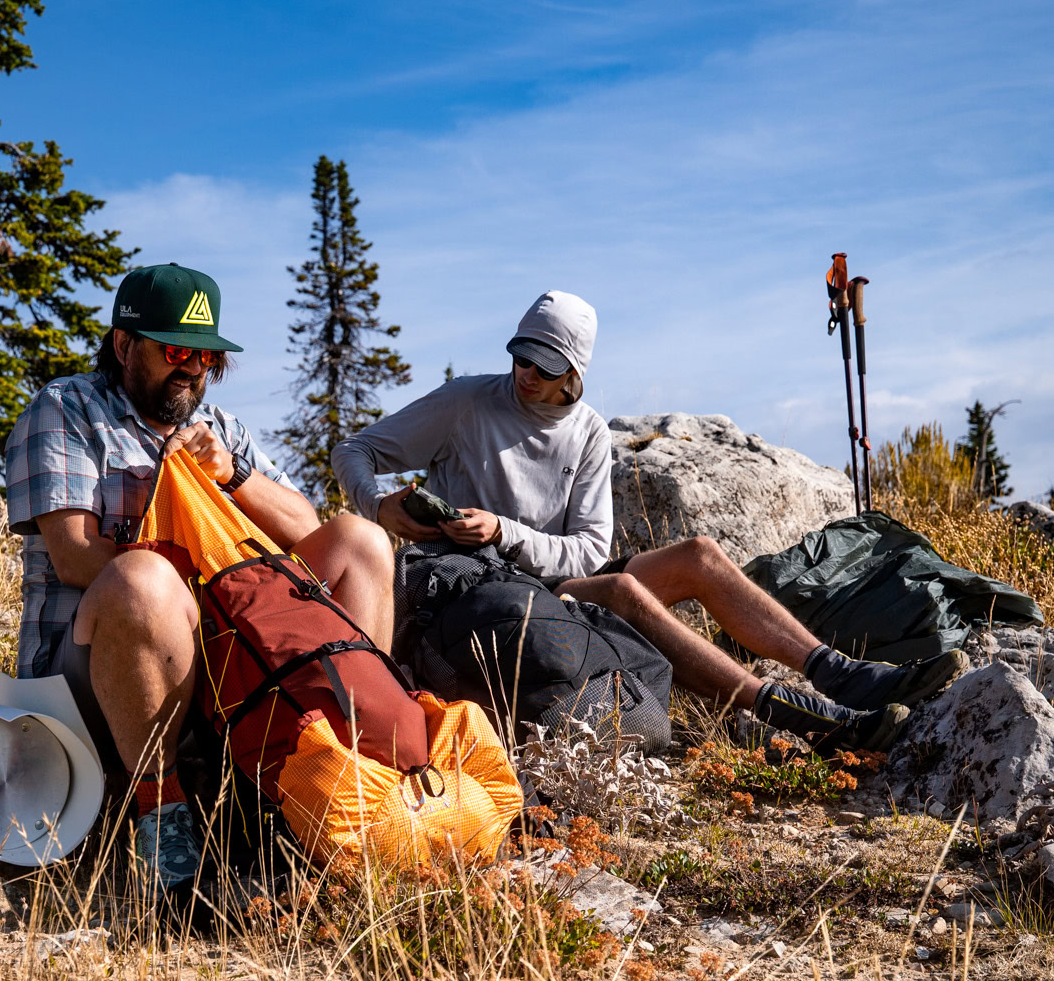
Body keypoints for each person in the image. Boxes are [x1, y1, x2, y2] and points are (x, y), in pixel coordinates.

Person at [332, 289, 964, 752]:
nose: (526, 374)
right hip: (475, 585)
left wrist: (505, 531)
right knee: (623, 590)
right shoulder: (467, 402)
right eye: (521, 355)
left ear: (574, 372)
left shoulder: (585, 433)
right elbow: (354, 450)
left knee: (700, 556)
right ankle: (793, 714)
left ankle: (838, 672)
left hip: (546, 574)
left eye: (545, 365)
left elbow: (587, 548)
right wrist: (378, 505)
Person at [5, 263, 395, 896]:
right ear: (124, 345)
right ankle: (163, 821)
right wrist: (186, 592)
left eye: (208, 357)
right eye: (176, 350)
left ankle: (351, 775)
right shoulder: (67, 409)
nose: (194, 369)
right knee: (144, 581)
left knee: (362, 542)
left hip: (217, 658)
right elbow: (75, 556)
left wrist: (234, 476)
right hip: (90, 676)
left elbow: (305, 526)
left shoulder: (223, 430)